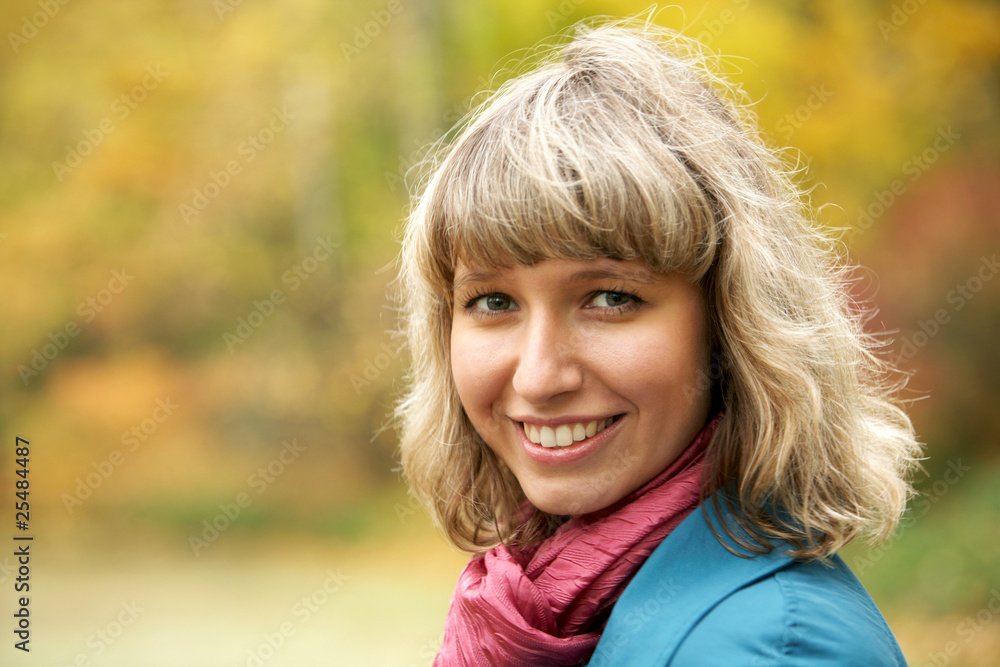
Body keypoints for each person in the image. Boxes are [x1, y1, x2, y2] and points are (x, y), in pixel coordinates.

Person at [394, 17, 920, 666]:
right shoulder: (551, 606)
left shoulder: (772, 650)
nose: (538, 377)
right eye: (494, 302)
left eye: (610, 298)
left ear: (730, 322)